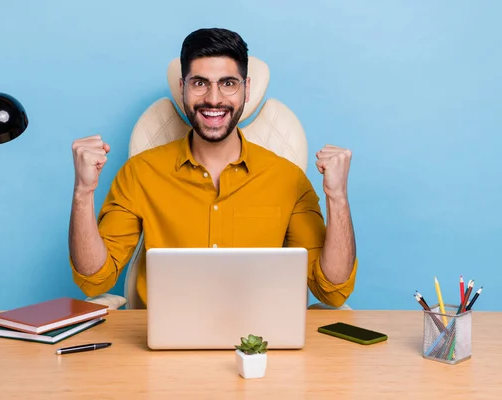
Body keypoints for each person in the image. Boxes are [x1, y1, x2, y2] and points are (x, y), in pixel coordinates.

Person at [68, 28, 357, 308]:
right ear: (183, 88)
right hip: (159, 344)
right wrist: (83, 191)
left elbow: (331, 290)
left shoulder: (288, 178)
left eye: (228, 83)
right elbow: (95, 279)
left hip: (258, 345)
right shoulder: (140, 172)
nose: (214, 99)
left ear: (246, 89)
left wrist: (338, 197)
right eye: (200, 83)